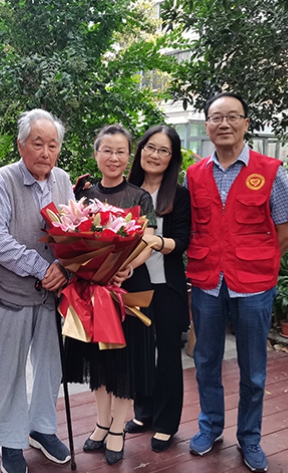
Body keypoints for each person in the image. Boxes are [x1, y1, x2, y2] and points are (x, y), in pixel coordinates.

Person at [185, 92, 288, 473]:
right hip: (207, 281)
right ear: (207, 126)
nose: (224, 124)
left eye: (232, 116)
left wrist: (256, 260)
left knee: (253, 368)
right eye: (216, 118)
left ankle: (250, 438)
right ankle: (210, 427)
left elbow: (287, 231)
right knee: (206, 360)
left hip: (253, 285)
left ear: (246, 124)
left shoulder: (270, 170)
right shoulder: (194, 174)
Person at [0, 109, 74, 473]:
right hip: (11, 292)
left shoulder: (63, 180)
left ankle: (42, 428)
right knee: (11, 369)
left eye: (52, 145)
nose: (45, 152)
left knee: (51, 365)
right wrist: (42, 268)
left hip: (53, 294)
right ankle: (10, 439)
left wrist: (66, 267)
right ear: (21, 145)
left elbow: (73, 230)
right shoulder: (2, 180)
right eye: (38, 143)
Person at [65, 124, 157, 465]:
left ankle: (118, 427)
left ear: (128, 157)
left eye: (121, 152)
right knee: (99, 360)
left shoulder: (140, 196)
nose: (114, 157)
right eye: (107, 150)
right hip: (92, 288)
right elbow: (73, 238)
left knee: (125, 361)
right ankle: (102, 423)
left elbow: (148, 240)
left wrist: (125, 266)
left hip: (128, 286)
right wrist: (89, 265)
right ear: (96, 154)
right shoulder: (84, 197)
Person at [123, 125, 192, 453]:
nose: (155, 155)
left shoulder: (178, 194)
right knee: (138, 351)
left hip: (166, 285)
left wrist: (155, 241)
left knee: (166, 355)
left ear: (172, 158)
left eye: (163, 150)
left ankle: (166, 423)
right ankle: (143, 413)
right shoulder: (127, 190)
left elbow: (182, 241)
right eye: (150, 147)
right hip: (132, 282)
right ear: (141, 150)